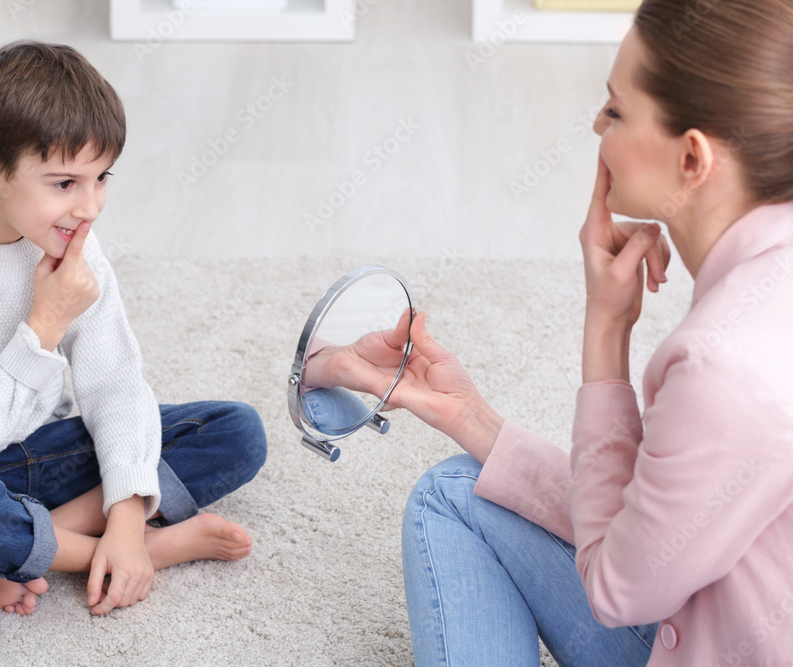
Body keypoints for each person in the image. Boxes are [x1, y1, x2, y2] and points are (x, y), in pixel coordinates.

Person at [317, 1, 793, 663]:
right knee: (465, 483)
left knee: (447, 498)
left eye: (616, 110)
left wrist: (604, 334)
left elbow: (617, 585)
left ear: (692, 158)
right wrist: (469, 414)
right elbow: (665, 524)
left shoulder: (723, 367)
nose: (598, 124)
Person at [0, 41, 267, 617]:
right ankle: (105, 547)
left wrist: (124, 517)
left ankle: (38, 547)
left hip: (35, 448)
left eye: (101, 178)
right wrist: (45, 322)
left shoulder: (68, 236)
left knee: (236, 431)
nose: (91, 207)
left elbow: (115, 381)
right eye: (65, 183)